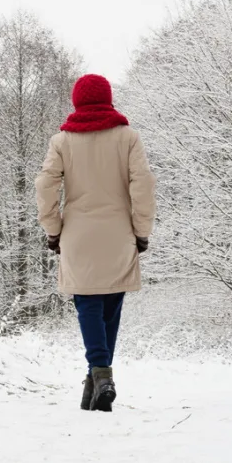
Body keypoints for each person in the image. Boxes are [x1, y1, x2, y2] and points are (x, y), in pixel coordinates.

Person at [35, 74, 156, 412]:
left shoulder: (62, 141)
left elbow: (45, 185)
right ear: (108, 99)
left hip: (78, 234)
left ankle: (99, 377)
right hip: (119, 232)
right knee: (111, 304)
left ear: (77, 102)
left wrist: (53, 229)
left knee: (88, 303)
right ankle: (99, 378)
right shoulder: (128, 137)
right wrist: (141, 230)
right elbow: (143, 184)